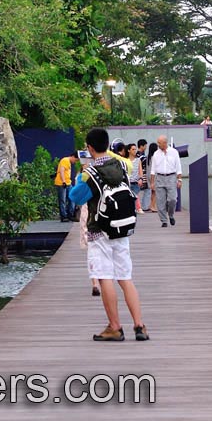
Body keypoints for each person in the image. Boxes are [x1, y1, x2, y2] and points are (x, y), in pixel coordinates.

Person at [72, 126, 148, 342]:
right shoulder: (121, 166)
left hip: (100, 231)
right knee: (125, 278)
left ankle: (115, 327)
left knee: (105, 277)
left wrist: (81, 176)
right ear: (107, 145)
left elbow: (76, 197)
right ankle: (139, 326)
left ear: (89, 148)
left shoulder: (90, 173)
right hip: (122, 228)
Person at [149, 134, 183, 227]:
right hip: (159, 178)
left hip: (171, 177)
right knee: (160, 201)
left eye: (159, 143)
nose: (158, 144)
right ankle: (164, 220)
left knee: (172, 199)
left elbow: (178, 167)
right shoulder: (156, 154)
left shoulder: (174, 152)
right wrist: (152, 182)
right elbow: (153, 170)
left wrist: (179, 179)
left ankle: (171, 215)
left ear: (165, 143)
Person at [54, 152, 80, 222]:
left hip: (68, 182)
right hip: (62, 183)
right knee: (62, 200)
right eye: (76, 160)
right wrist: (63, 181)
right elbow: (62, 170)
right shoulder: (65, 160)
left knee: (72, 197)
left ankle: (70, 214)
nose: (75, 162)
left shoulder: (68, 162)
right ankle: (64, 216)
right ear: (73, 156)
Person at [136, 139, 150, 210]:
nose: (146, 147)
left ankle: (139, 206)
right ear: (141, 146)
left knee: (138, 191)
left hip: (137, 174)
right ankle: (144, 206)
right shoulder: (141, 156)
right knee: (147, 190)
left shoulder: (136, 154)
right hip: (142, 174)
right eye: (145, 146)